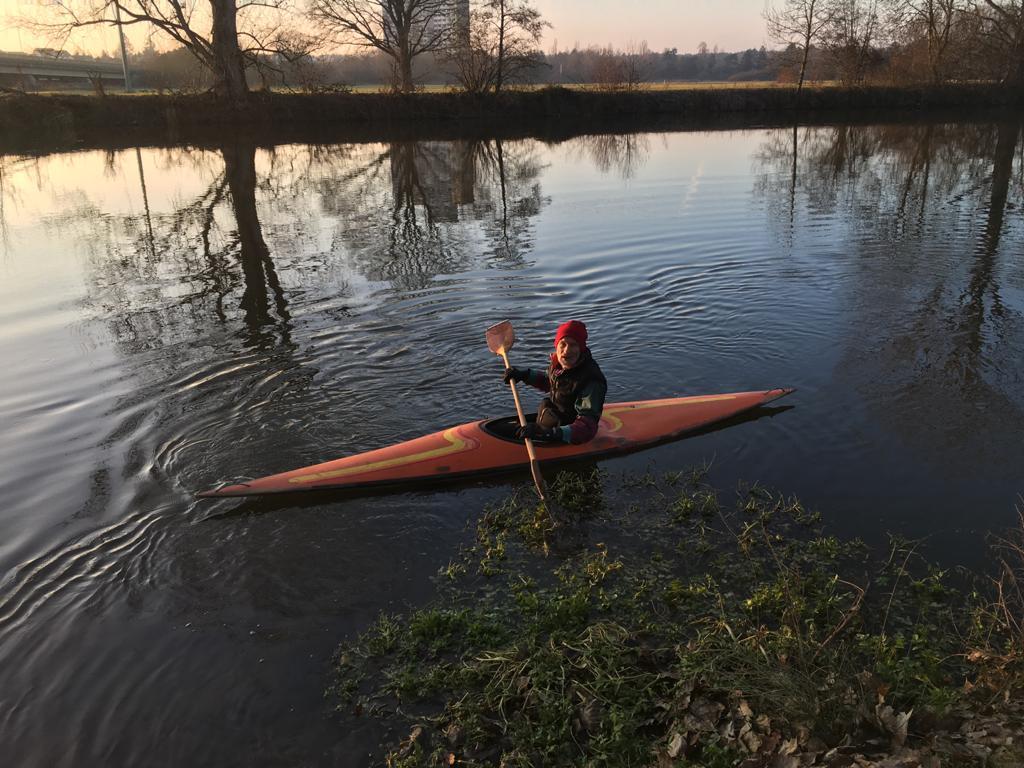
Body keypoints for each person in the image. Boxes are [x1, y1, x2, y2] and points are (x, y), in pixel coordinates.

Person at [502, 320, 607, 445]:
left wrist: (549, 433)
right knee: (502, 429)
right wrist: (524, 375)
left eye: (573, 345)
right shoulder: (558, 365)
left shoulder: (591, 380)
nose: (567, 351)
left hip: (565, 435)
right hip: (550, 423)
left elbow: (587, 426)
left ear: (581, 348)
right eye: (563, 344)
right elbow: (549, 382)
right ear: (556, 345)